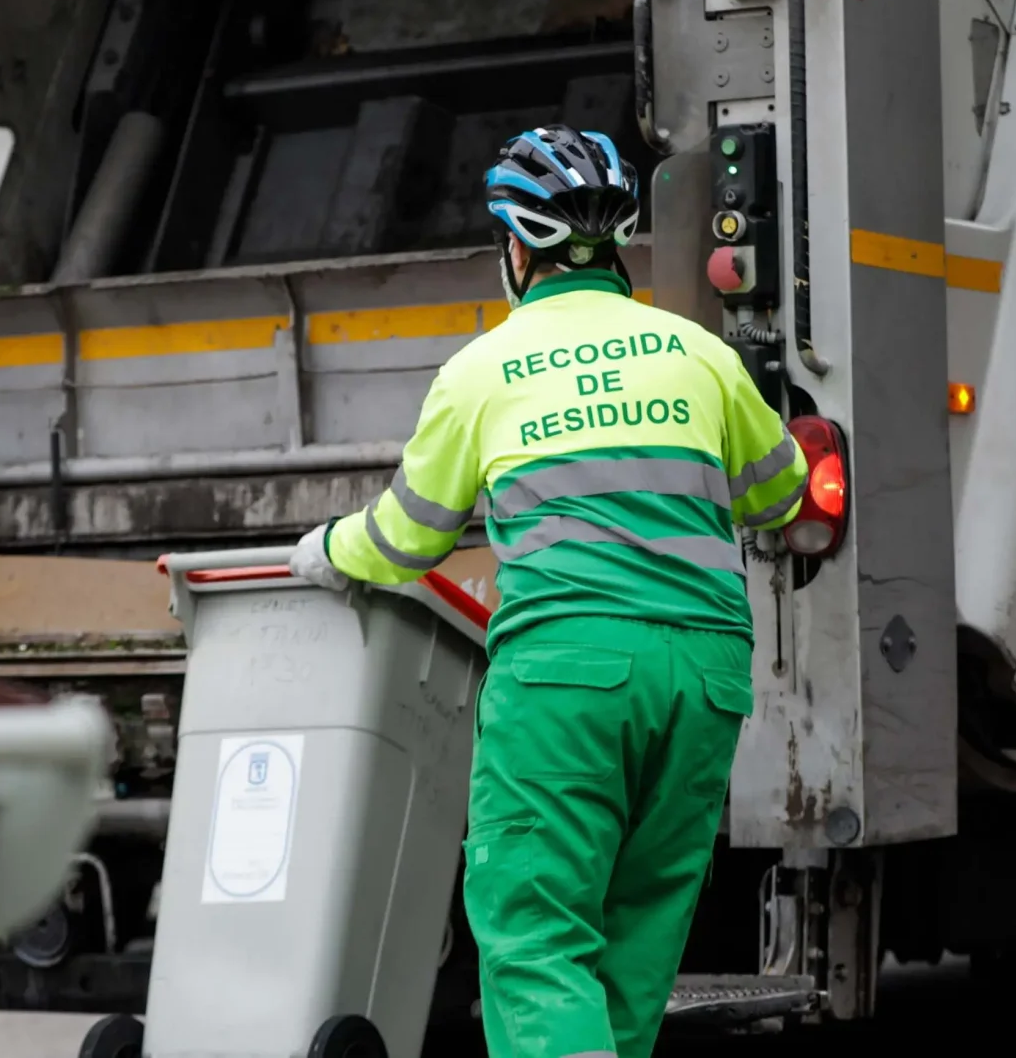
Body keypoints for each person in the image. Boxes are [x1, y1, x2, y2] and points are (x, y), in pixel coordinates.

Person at [289, 124, 808, 1058]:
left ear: (516, 251)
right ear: (614, 247)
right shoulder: (698, 354)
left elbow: (407, 537)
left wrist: (326, 549)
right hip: (704, 678)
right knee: (635, 945)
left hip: (569, 675)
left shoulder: (480, 372)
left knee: (536, 935)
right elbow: (781, 495)